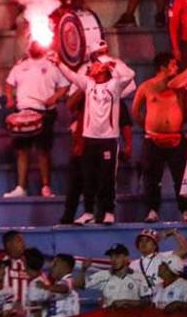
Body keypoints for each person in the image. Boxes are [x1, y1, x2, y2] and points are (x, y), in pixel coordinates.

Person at [51, 51, 135, 224]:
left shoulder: (115, 86)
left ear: (103, 69)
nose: (91, 66)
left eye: (96, 64)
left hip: (108, 139)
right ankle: (88, 212)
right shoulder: (88, 83)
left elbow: (130, 74)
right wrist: (58, 62)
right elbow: (72, 75)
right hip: (89, 138)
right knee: (88, 177)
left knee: (107, 177)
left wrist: (111, 63)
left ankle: (108, 211)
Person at [4, 40, 69, 198]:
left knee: (43, 151)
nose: (34, 46)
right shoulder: (20, 65)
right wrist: (9, 98)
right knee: (22, 150)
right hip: (23, 111)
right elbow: (8, 83)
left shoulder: (52, 65)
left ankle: (46, 186)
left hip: (44, 112)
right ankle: (21, 187)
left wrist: (55, 97)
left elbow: (64, 85)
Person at [133, 53, 187, 222]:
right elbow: (136, 111)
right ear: (163, 68)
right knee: (151, 177)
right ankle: (152, 210)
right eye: (173, 65)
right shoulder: (146, 87)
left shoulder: (180, 88)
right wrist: (149, 125)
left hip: (176, 138)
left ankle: (185, 210)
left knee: (181, 177)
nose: (177, 68)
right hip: (153, 139)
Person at [14, 252, 81, 317]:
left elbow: (65, 288)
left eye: (55, 264)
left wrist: (46, 287)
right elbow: (40, 314)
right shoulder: (54, 287)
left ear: (64, 266)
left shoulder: (69, 281)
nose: (51, 267)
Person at [84, 245, 149, 308]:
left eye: (117, 256)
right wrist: (83, 270)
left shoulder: (139, 277)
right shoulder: (104, 275)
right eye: (111, 257)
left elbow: (147, 302)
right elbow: (81, 284)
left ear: (126, 258)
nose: (113, 260)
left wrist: (127, 302)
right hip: (109, 316)